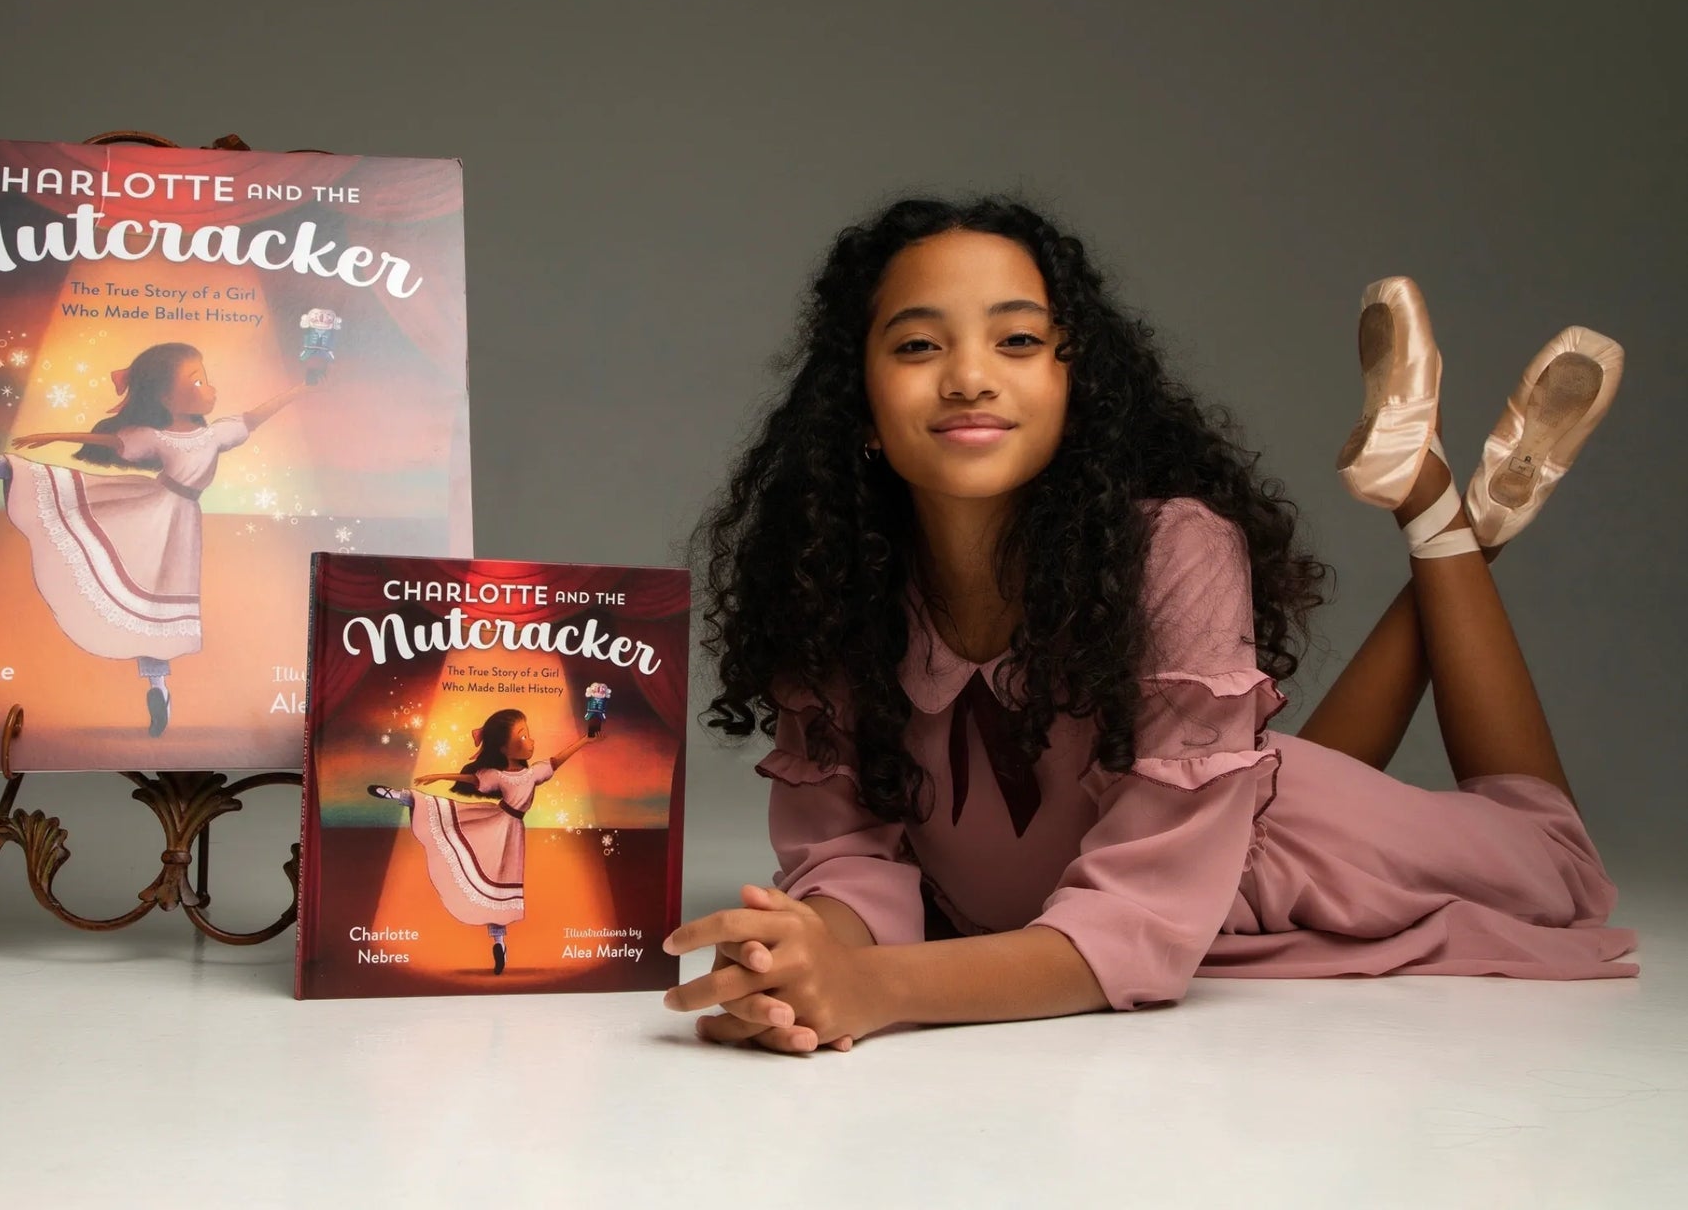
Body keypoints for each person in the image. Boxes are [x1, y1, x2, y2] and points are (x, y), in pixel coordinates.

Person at [665, 196, 1635, 1054]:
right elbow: (849, 860)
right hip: (1198, 810)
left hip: (1265, 854)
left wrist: (877, 988)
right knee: (1262, 770)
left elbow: (1134, 919)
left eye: (1017, 341)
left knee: (1553, 855)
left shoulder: (1175, 543)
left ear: (1075, 386)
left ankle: (1431, 503)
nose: (967, 377)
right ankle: (1461, 530)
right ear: (860, 408)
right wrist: (801, 958)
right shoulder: (832, 581)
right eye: (918, 346)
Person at [0, 341, 312, 735]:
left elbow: (254, 417)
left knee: (159, 596)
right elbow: (114, 442)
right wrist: (54, 435)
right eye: (197, 381)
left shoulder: (217, 434)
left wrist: (301, 388)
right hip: (149, 508)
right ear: (166, 398)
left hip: (181, 525)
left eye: (205, 379)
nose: (210, 388)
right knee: (75, 494)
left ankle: (158, 688)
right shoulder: (156, 437)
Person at [368, 708, 598, 973]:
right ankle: (402, 796)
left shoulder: (534, 772)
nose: (531, 741)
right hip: (494, 822)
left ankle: (499, 944)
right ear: (503, 748)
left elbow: (556, 761)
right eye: (523, 736)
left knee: (500, 882)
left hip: (512, 835)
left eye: (528, 735)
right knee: (448, 813)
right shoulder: (498, 776)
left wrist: (585, 740)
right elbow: (473, 779)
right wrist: (439, 776)